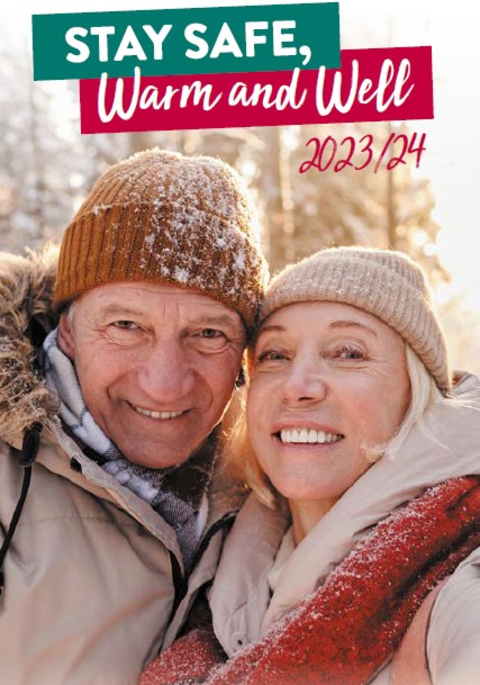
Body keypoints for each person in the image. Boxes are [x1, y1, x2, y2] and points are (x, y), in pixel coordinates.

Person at [141, 246, 480, 685]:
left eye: (348, 353)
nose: (298, 386)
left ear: (416, 393)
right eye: (275, 355)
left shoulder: (456, 580)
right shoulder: (214, 586)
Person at [0, 148, 268, 685]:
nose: (164, 382)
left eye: (209, 333)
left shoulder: (274, 474)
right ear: (68, 328)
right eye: (126, 325)